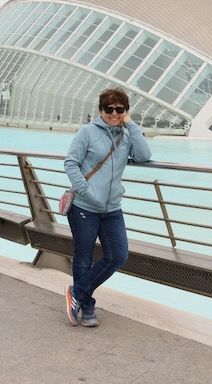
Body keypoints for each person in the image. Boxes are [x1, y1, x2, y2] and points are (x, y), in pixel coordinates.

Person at [63, 88, 151, 328]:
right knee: (83, 258)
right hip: (84, 207)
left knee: (118, 256)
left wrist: (131, 124)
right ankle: (87, 306)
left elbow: (144, 155)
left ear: (125, 112)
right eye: (109, 109)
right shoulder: (87, 132)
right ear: (100, 110)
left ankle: (77, 293)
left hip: (112, 208)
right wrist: (86, 192)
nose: (114, 113)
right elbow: (70, 163)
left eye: (119, 109)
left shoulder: (126, 136)